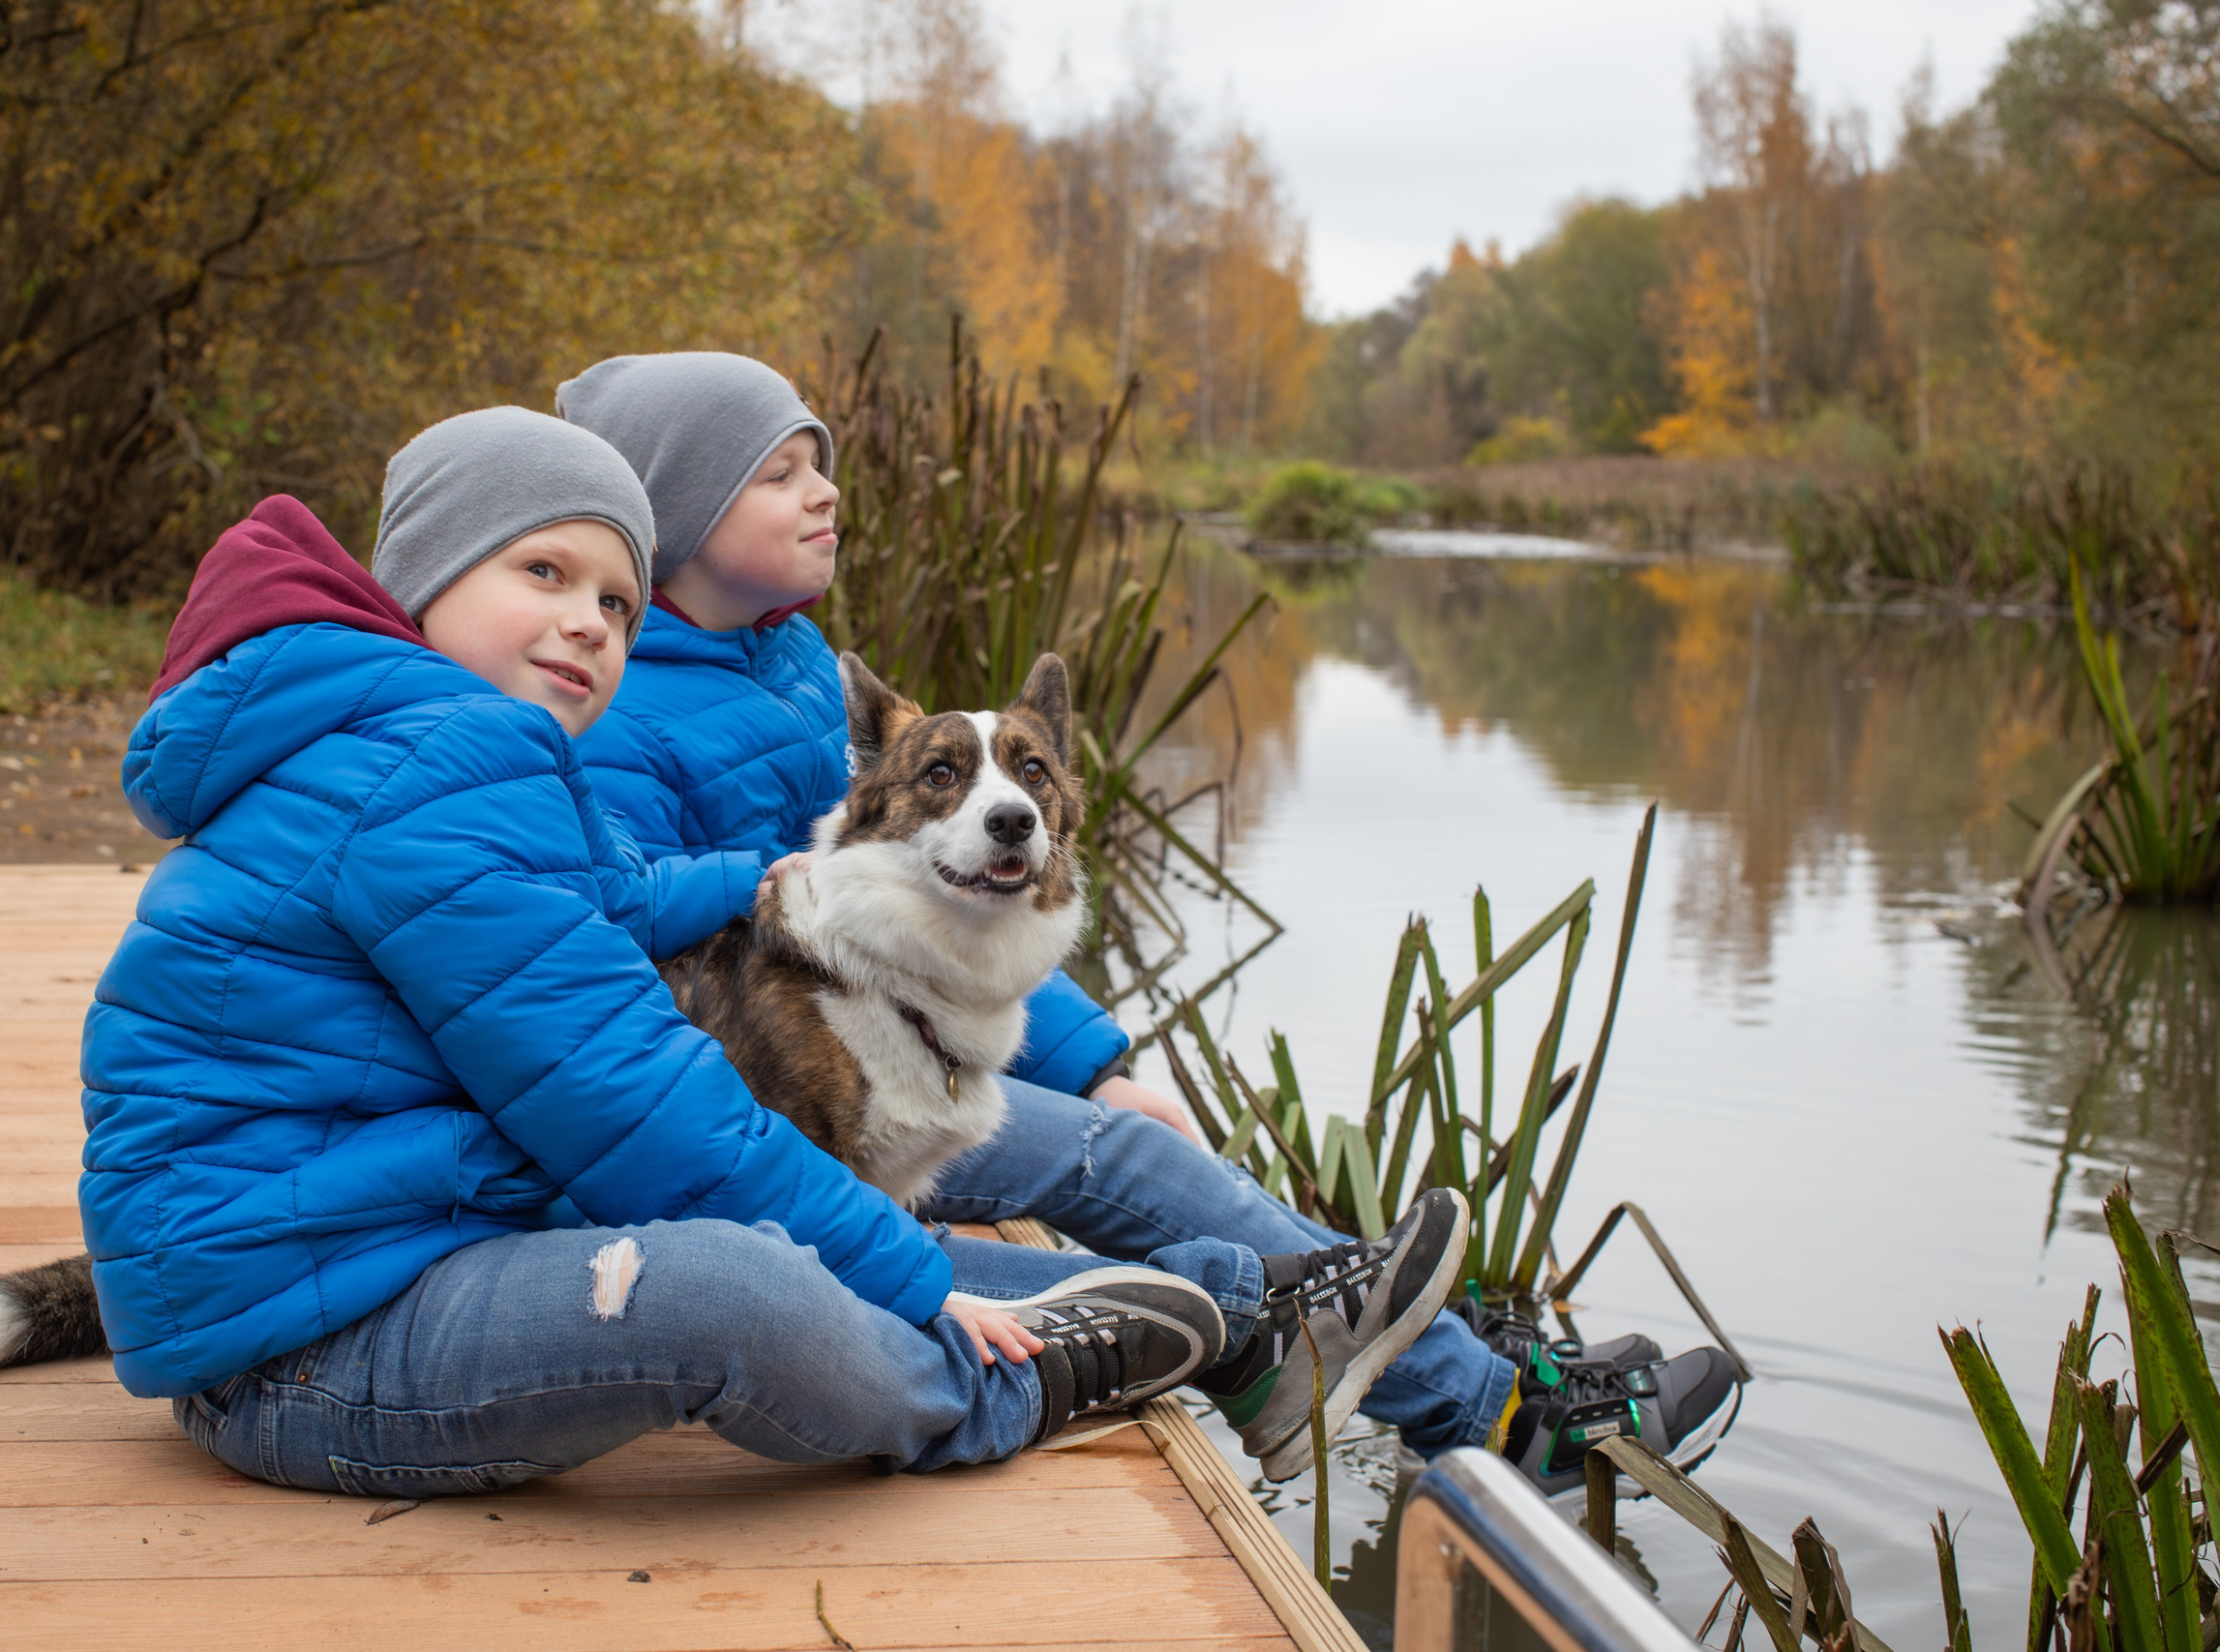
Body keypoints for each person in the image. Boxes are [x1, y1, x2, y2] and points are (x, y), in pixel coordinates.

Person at [87, 405, 1466, 1498]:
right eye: (544, 571)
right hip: (301, 1348)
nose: (588, 618)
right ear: (422, 577)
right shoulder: (427, 774)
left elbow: (605, 898)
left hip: (404, 1239)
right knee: (739, 1284)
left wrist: (756, 880)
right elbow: (632, 1099)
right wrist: (916, 1275)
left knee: (808, 1241)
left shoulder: (446, 750)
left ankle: (1241, 1319)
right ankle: (1007, 1385)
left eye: (619, 602)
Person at [560, 353, 1743, 1476]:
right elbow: (649, 978)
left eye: (818, 463)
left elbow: (946, 897)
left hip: (896, 1057)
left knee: (1128, 1133)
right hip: (791, 1117)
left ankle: (1464, 1387)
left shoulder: (797, 665)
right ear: (680, 513)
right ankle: (1446, 1397)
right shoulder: (619, 709)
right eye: (780, 474)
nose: (826, 493)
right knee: (1113, 1162)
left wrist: (1094, 1059)